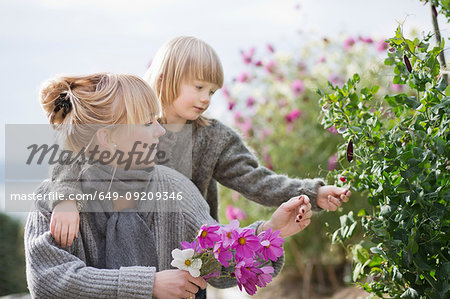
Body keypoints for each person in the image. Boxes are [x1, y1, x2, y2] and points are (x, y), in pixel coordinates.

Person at [25, 73, 313, 298]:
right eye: (148, 122)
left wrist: (269, 232)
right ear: (107, 138)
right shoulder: (54, 203)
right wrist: (147, 285)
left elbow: (218, 263)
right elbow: (49, 281)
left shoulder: (176, 189)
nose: (159, 131)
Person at [49, 36, 351, 248]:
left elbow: (257, 181)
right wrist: (65, 200)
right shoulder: (129, 123)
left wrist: (313, 193)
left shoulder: (215, 138)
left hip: (191, 258)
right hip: (126, 253)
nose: (206, 98)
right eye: (198, 87)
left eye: (212, 91)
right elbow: (75, 150)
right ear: (166, 78)